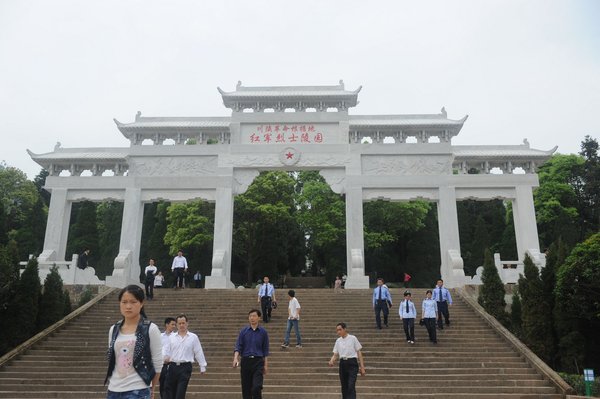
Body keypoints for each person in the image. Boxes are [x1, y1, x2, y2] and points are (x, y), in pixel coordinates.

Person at [104, 285, 162, 399]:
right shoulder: (113, 329)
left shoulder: (150, 329)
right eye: (124, 302)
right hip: (113, 390)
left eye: (133, 302)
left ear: (141, 303)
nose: (128, 306)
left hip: (138, 390)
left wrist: (152, 388)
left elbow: (158, 363)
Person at [163, 314, 207, 399]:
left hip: (185, 367)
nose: (181, 325)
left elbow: (198, 351)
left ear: (187, 323)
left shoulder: (193, 337)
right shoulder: (171, 337)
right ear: (176, 325)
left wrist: (202, 365)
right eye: (179, 323)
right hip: (172, 366)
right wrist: (165, 357)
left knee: (180, 392)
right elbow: (166, 349)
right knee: (168, 391)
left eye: (183, 323)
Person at [232, 309, 270, 399]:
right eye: (250, 316)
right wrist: (235, 358)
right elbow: (238, 346)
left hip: (258, 362)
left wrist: (266, 365)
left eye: (254, 316)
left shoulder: (263, 332)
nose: (252, 318)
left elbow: (265, 350)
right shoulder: (243, 331)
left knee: (256, 387)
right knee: (246, 389)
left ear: (259, 318)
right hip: (246, 361)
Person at [328, 322, 366, 399]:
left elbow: (359, 352)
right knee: (344, 386)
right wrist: (332, 360)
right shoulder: (338, 341)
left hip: (352, 363)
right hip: (342, 364)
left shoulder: (353, 338)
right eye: (337, 330)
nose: (338, 332)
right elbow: (335, 354)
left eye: (340, 329)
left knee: (351, 385)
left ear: (345, 329)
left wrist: (362, 367)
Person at [159, 317, 177, 399]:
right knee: (162, 384)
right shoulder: (160, 336)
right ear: (167, 325)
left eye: (174, 325)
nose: (174, 326)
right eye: (172, 324)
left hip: (172, 364)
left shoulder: (176, 337)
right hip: (162, 364)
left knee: (171, 385)